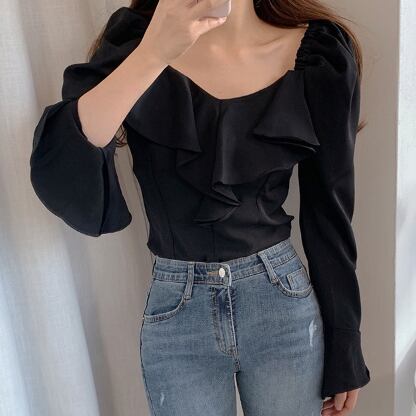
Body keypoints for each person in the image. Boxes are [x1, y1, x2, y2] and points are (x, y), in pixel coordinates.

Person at [29, 0, 371, 414]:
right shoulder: (136, 43)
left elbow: (329, 211)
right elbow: (63, 170)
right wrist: (154, 52)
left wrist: (346, 342)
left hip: (282, 305)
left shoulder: (318, 54)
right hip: (177, 313)